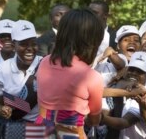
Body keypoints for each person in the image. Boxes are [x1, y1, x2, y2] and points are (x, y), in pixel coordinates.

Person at [35, 9, 104, 139]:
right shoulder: (91, 77)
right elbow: (95, 121)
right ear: (92, 42)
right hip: (71, 134)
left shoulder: (44, 62)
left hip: (40, 132)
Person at [0, 19, 42, 138]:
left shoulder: (46, 65)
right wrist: (2, 110)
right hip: (14, 127)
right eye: (23, 44)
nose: (30, 48)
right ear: (14, 46)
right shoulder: (2, 70)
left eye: (33, 43)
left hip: (40, 126)